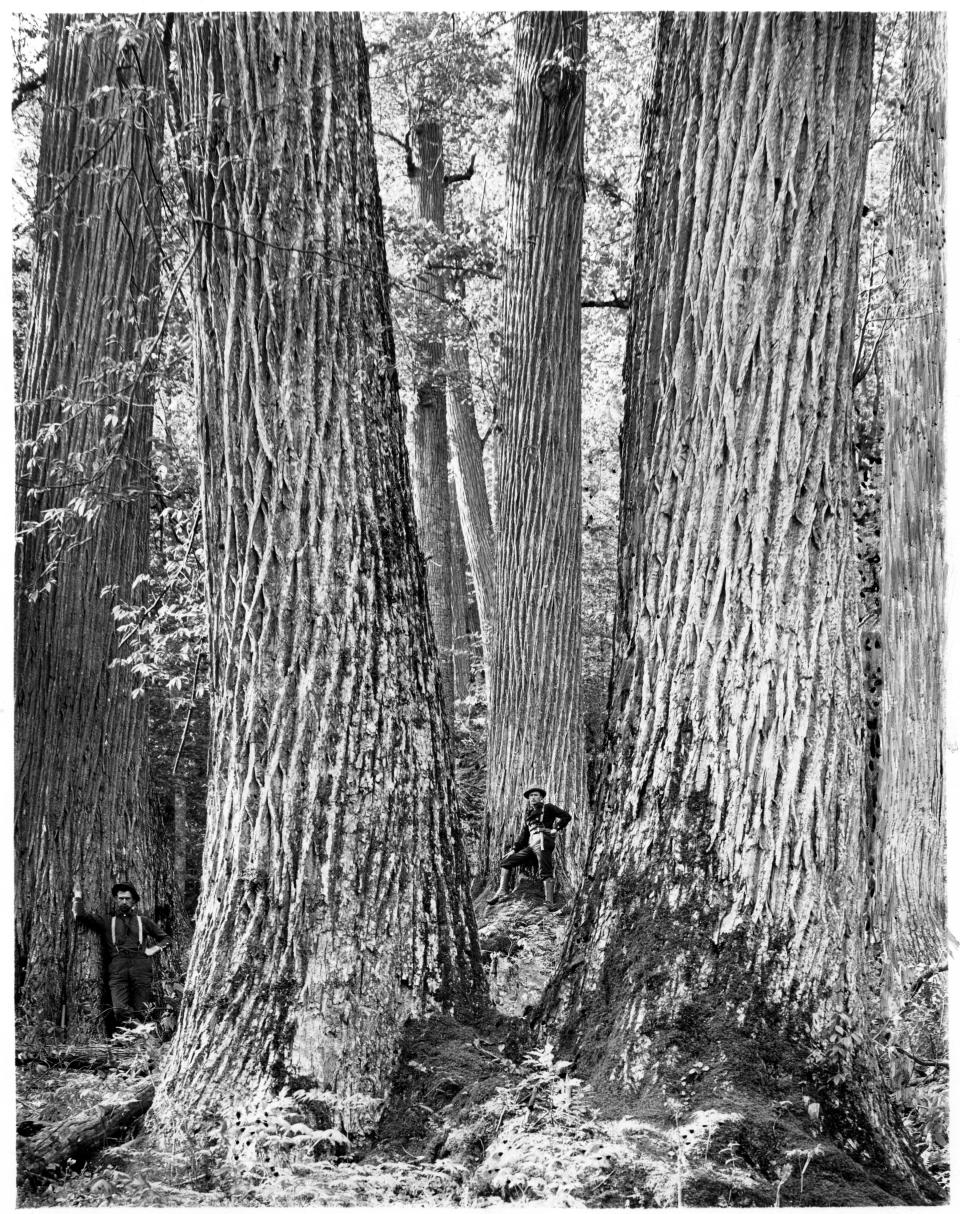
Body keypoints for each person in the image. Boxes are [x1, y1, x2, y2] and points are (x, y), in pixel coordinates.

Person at [71, 881, 171, 1027]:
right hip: (118, 967)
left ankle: (139, 1043)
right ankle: (137, 1033)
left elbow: (167, 939)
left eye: (127, 898)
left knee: (142, 1010)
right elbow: (80, 916)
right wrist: (78, 896)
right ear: (116, 900)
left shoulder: (143, 921)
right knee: (119, 1009)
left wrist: (153, 949)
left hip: (141, 966)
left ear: (134, 901)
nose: (124, 901)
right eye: (120, 898)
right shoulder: (107, 921)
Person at [489, 785, 571, 911]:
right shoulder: (529, 814)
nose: (532, 798)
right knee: (506, 863)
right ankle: (502, 891)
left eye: (535, 795)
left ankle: (549, 902)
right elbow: (524, 835)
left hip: (543, 841)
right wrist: (514, 849)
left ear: (541, 797)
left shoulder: (548, 807)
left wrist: (556, 828)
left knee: (545, 871)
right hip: (532, 844)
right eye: (530, 796)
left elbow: (566, 816)